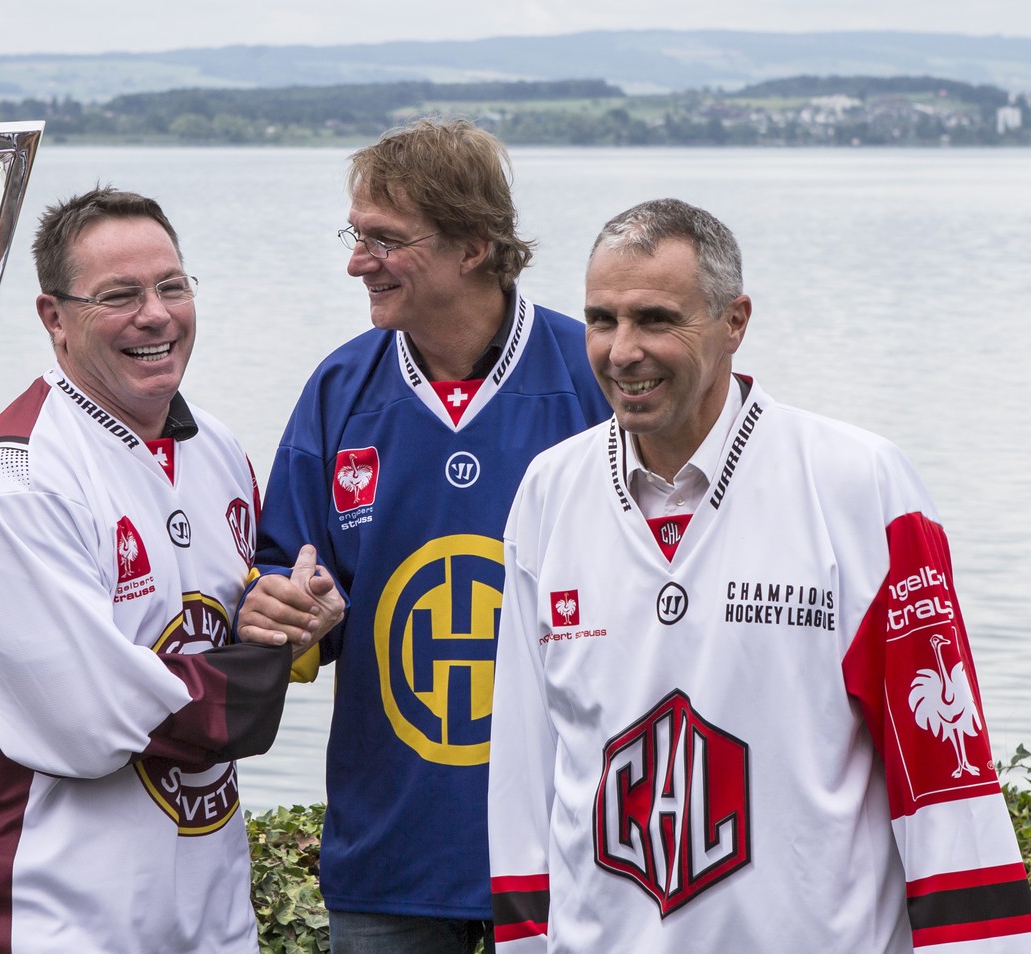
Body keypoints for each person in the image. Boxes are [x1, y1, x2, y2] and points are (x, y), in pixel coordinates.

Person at [488, 198, 1031, 952]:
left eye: (655, 320)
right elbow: (524, 770)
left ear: (734, 321)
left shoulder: (859, 483)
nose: (622, 351)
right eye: (602, 320)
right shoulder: (549, 493)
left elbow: (941, 773)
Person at [238, 118, 612, 953]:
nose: (356, 262)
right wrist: (286, 614)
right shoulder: (340, 389)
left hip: (572, 850)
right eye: (355, 235)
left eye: (384, 240)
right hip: (390, 854)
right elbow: (282, 586)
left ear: (473, 246)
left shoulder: (589, 376)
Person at [0, 186, 294, 953]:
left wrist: (289, 615)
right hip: (49, 914)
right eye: (119, 296)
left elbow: (224, 622)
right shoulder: (14, 482)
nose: (156, 315)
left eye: (172, 286)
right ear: (54, 318)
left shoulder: (217, 449)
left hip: (209, 912)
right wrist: (263, 670)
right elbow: (88, 723)